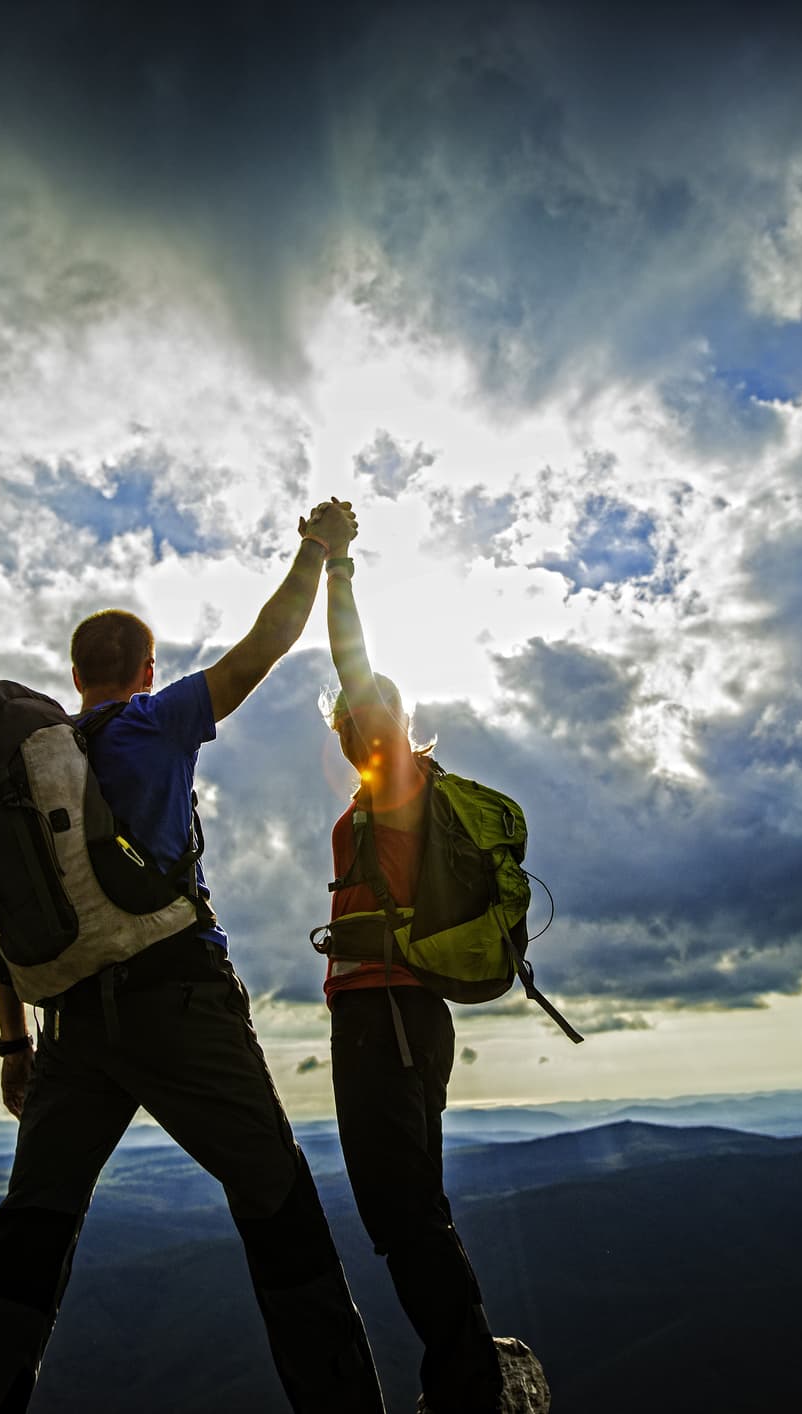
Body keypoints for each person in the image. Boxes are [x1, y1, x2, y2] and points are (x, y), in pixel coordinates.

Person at [0, 500, 386, 1414]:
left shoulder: (20, 779)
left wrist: (14, 1048)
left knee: (34, 1226)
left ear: (71, 676)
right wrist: (318, 551)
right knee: (276, 1203)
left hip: (67, 1030)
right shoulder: (156, 722)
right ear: (143, 670)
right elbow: (267, 643)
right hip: (180, 1001)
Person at [319, 511, 506, 1414]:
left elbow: (355, 667)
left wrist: (338, 567)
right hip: (406, 1020)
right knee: (414, 1206)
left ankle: (467, 1383)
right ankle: (463, 1377)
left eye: (364, 709)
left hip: (382, 1021)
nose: (354, 716)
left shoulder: (397, 785)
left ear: (386, 717)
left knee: (399, 1216)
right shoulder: (389, 791)